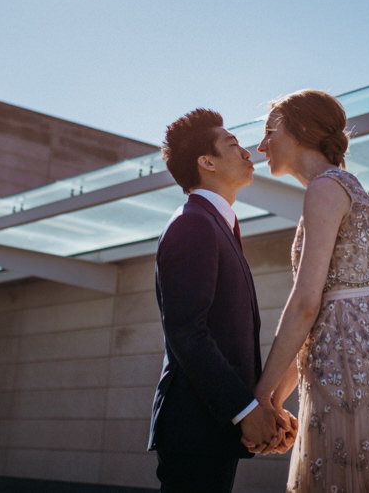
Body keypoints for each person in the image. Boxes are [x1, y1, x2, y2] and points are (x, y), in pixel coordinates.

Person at [248, 90, 369, 492]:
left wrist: (258, 400)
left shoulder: (325, 189)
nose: (261, 146)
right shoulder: (345, 187)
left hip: (348, 379)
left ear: (299, 131)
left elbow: (304, 306)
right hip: (360, 371)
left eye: (270, 132)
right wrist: (275, 402)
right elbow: (318, 320)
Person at [148, 108, 295, 493]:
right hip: (194, 429)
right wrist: (246, 411)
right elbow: (187, 334)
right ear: (206, 162)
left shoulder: (219, 224)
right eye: (233, 145)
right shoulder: (192, 223)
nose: (248, 152)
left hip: (212, 429)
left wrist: (263, 409)